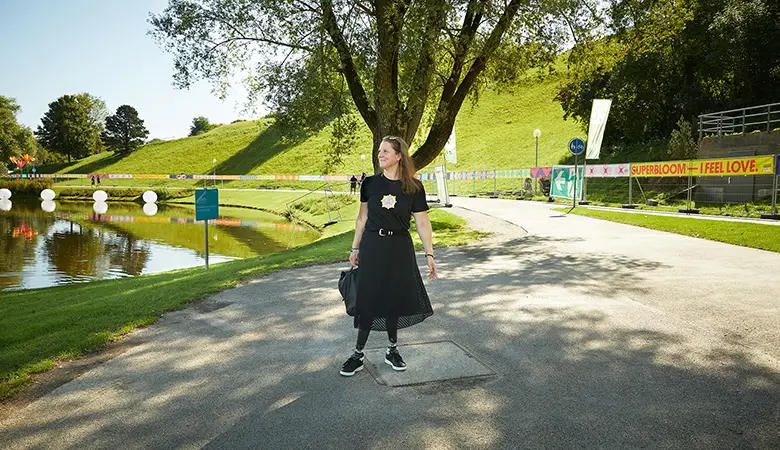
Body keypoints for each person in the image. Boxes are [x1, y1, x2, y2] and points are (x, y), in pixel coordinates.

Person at [340, 136, 438, 377]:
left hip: (400, 247)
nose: (380, 154)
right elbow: (362, 218)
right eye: (379, 151)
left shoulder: (413, 187)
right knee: (369, 298)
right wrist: (355, 249)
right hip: (373, 245)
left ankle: (392, 349)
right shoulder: (370, 184)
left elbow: (423, 222)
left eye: (385, 151)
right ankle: (358, 354)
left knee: (394, 297)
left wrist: (429, 254)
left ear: (398, 156)